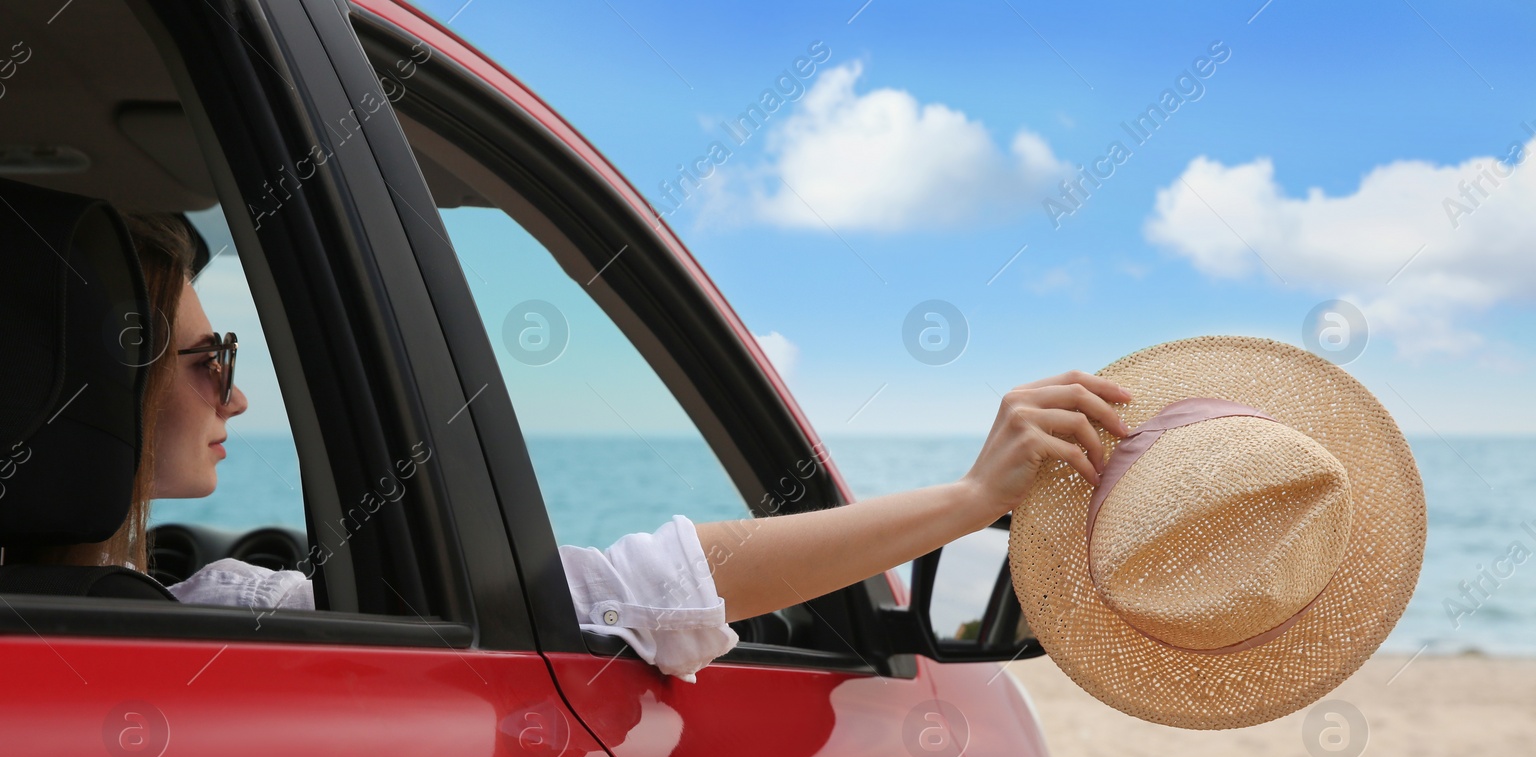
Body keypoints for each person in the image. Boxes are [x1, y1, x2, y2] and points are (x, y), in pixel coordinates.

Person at [95, 213, 1131, 680]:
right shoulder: (233, 624)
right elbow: (641, 591)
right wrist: (964, 498)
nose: (237, 394)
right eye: (205, 358)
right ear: (98, 388)